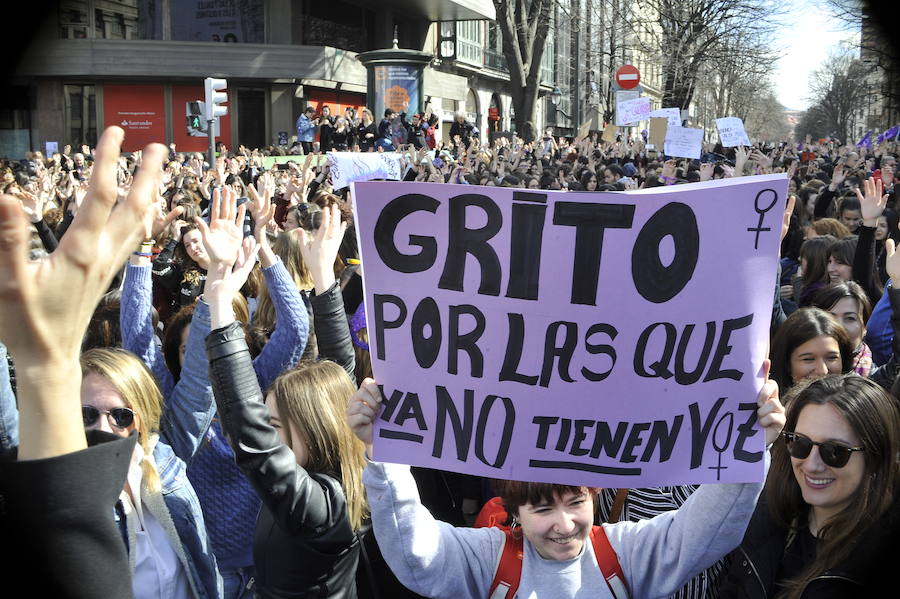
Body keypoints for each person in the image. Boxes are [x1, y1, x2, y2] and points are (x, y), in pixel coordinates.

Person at [346, 377, 786, 599]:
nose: (564, 525)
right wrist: (382, 451)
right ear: (512, 512)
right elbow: (416, 553)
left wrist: (752, 443)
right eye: (541, 509)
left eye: (576, 501)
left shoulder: (624, 552)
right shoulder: (487, 557)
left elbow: (706, 531)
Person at [0, 127, 164, 596]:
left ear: (145, 421)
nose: (102, 428)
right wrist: (44, 362)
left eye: (120, 415)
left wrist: (46, 362)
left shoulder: (170, 479)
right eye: (85, 415)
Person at [202, 201, 369, 597]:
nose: (267, 432)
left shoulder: (325, 509)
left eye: (274, 425)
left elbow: (249, 433)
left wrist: (221, 304)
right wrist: (324, 275)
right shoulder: (335, 472)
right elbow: (338, 371)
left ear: (316, 429)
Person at [718, 375, 900, 598]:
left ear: (875, 458)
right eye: (801, 443)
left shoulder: (883, 558)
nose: (812, 465)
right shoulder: (768, 513)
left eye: (835, 451)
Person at [769, 308, 855, 394]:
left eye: (832, 358)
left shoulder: (859, 403)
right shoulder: (768, 404)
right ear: (787, 364)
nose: (823, 371)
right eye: (808, 359)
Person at [810, 282, 872, 376]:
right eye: (830, 317)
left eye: (850, 318)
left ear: (864, 328)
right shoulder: (801, 368)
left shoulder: (878, 378)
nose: (839, 326)